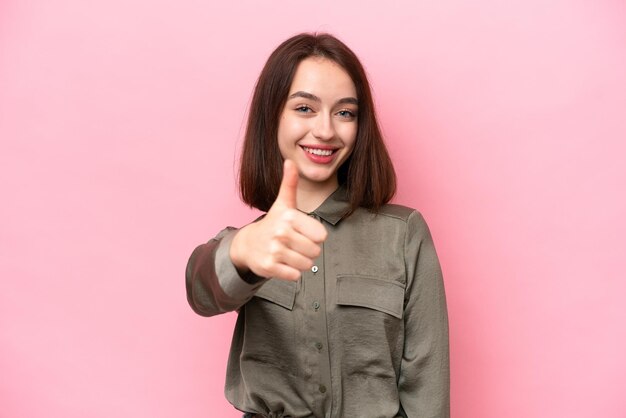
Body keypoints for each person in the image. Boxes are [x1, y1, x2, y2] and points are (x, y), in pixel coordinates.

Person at [186, 33, 449, 418]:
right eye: (305, 108)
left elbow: (428, 389)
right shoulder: (255, 241)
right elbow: (200, 292)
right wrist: (242, 250)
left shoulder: (404, 233)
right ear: (272, 116)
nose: (326, 130)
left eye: (345, 112)